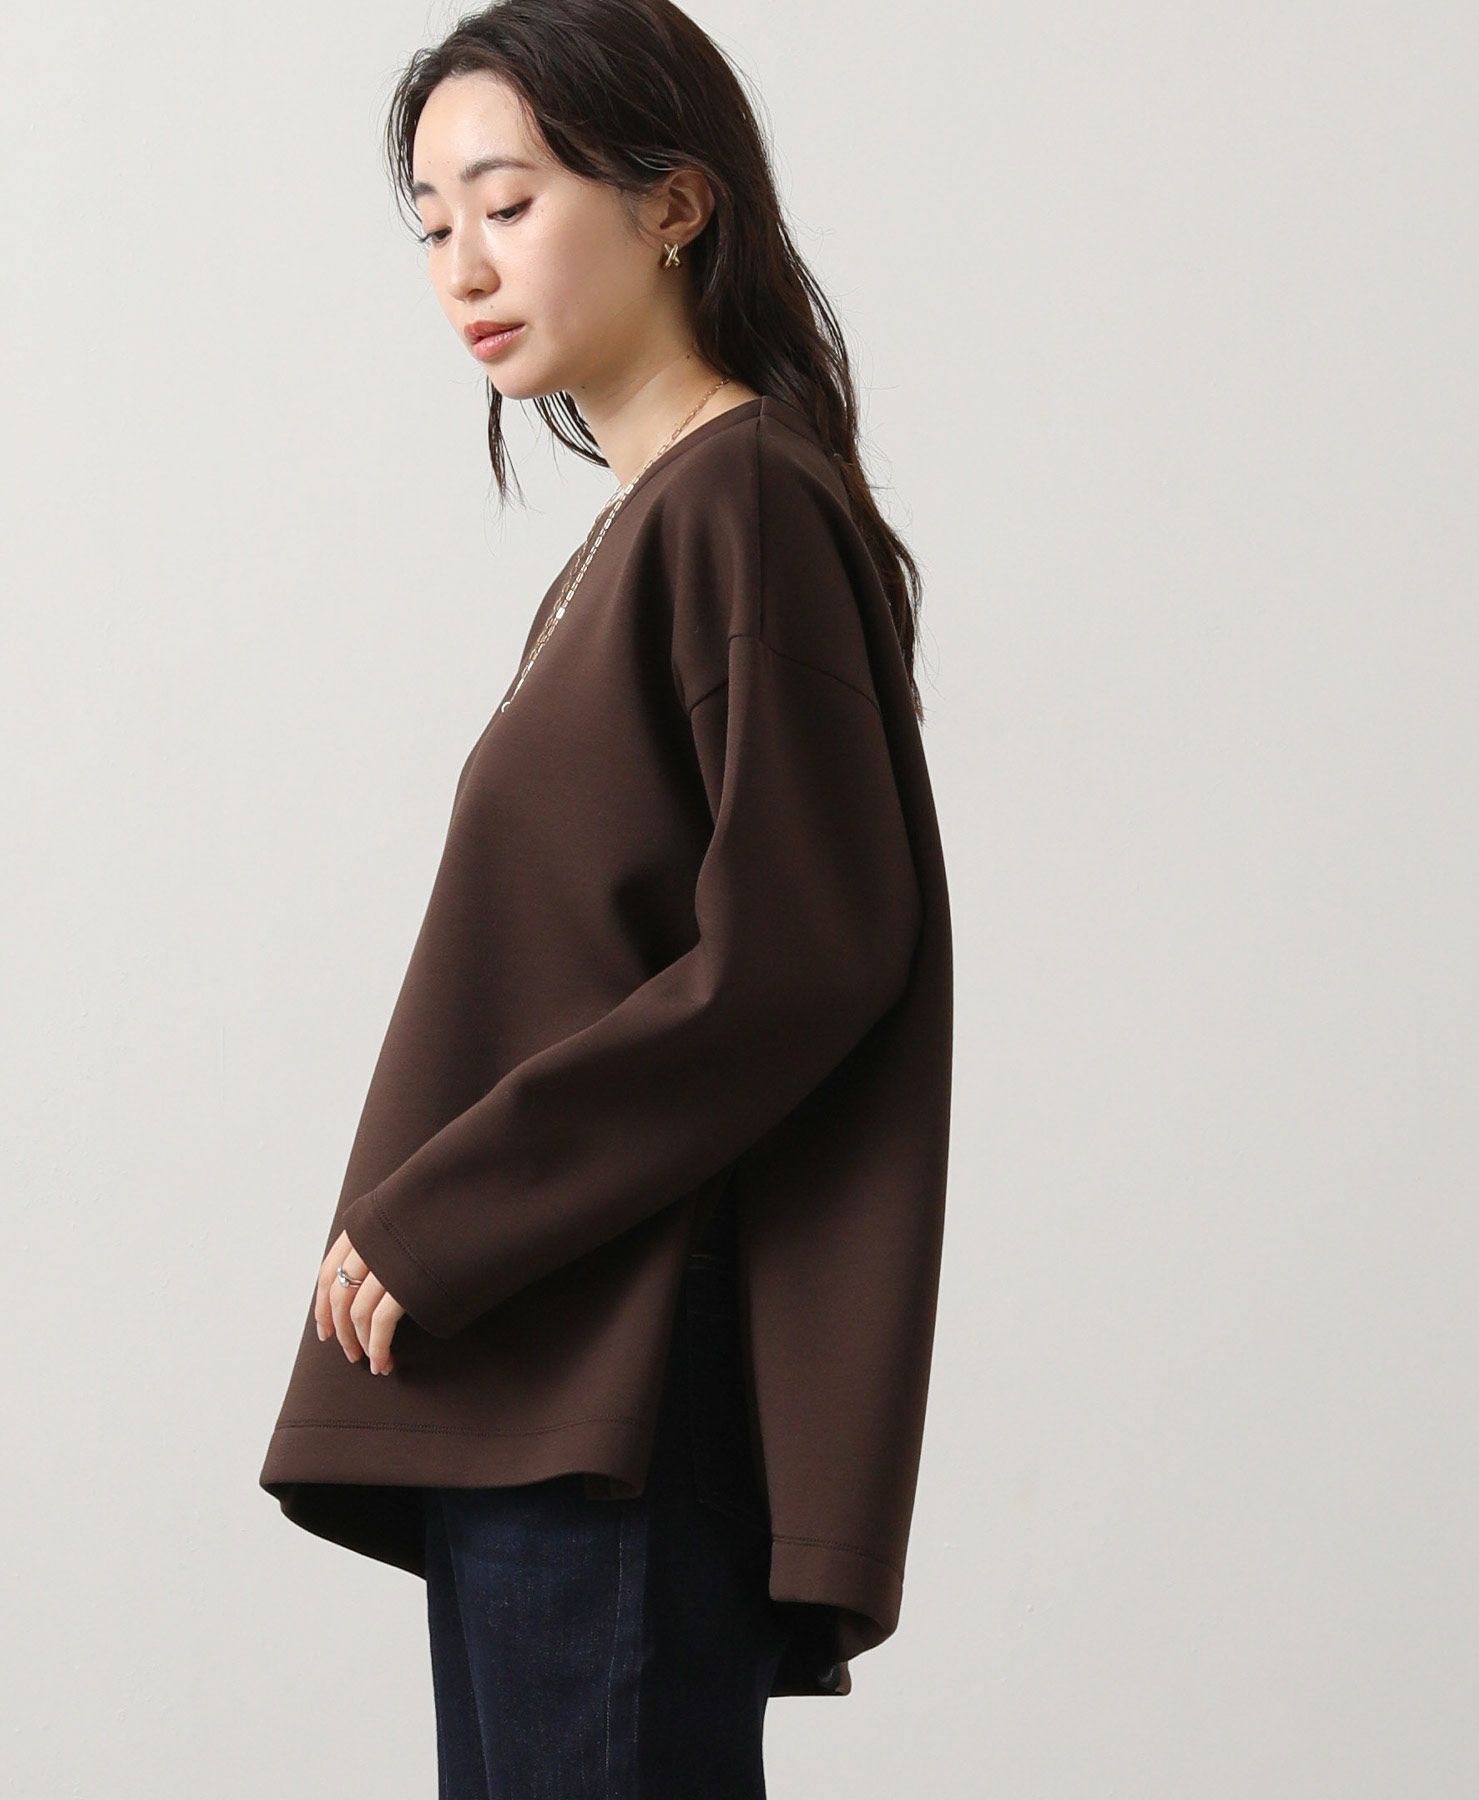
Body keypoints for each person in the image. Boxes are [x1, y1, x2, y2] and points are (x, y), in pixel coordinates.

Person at [258, 2, 954, 1793]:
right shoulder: (651, 524)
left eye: (508, 203)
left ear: (673, 204)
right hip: (543, 1388)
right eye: (432, 223)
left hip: (621, 1399)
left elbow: (803, 957)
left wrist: (443, 1216)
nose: (463, 266)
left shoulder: (744, 504)